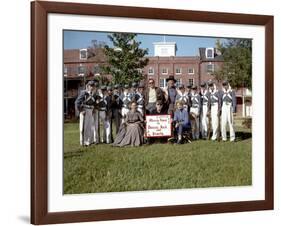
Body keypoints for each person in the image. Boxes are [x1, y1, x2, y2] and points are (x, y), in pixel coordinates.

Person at [74, 80, 98, 146]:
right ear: (88, 86)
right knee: (83, 127)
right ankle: (82, 142)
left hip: (91, 111)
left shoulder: (94, 94)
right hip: (85, 110)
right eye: (91, 86)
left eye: (93, 86)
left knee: (89, 127)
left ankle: (88, 141)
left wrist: (94, 109)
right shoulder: (84, 93)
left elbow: (94, 103)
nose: (92, 87)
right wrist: (81, 110)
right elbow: (76, 102)